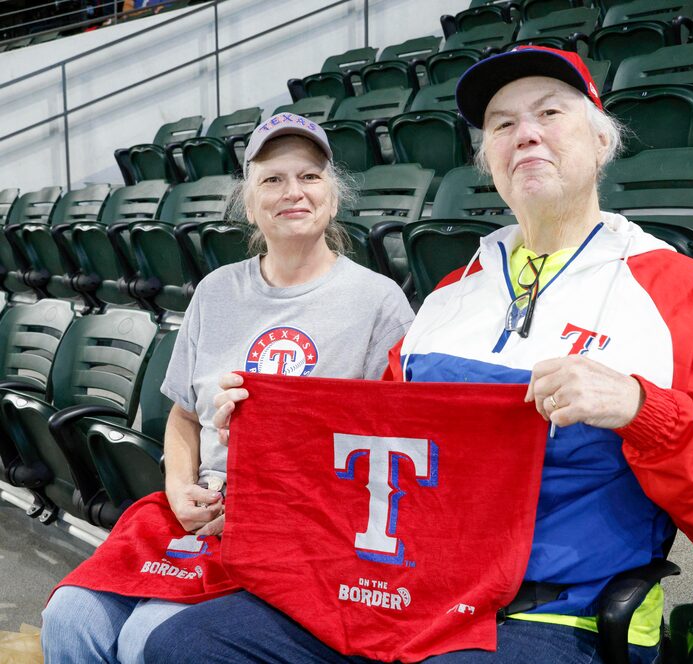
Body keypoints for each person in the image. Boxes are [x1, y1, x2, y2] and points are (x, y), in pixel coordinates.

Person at [144, 47, 693, 663]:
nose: (526, 134)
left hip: (551, 617)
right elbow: (372, 469)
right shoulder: (451, 297)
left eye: (550, 112)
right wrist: (262, 436)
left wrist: (644, 411)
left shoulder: (676, 291)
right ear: (489, 159)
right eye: (503, 124)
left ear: (601, 142)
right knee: (188, 646)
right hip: (405, 595)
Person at [40, 113, 414, 664]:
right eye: (273, 179)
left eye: (310, 177)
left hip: (301, 524)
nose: (294, 192)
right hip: (200, 509)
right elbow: (184, 416)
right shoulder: (216, 292)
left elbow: (391, 455)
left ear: (333, 195)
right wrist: (176, 487)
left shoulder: (380, 304)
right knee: (67, 619)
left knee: (149, 639)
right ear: (249, 201)